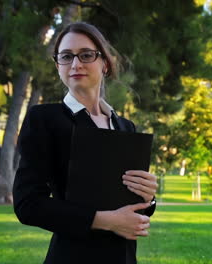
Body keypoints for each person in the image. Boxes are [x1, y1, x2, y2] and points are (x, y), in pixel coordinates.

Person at [13, 22, 158, 264]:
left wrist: (148, 197)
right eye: (66, 56)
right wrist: (107, 220)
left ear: (106, 64)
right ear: (58, 65)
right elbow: (28, 204)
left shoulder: (125, 127)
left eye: (86, 55)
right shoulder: (44, 119)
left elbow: (133, 207)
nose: (75, 64)